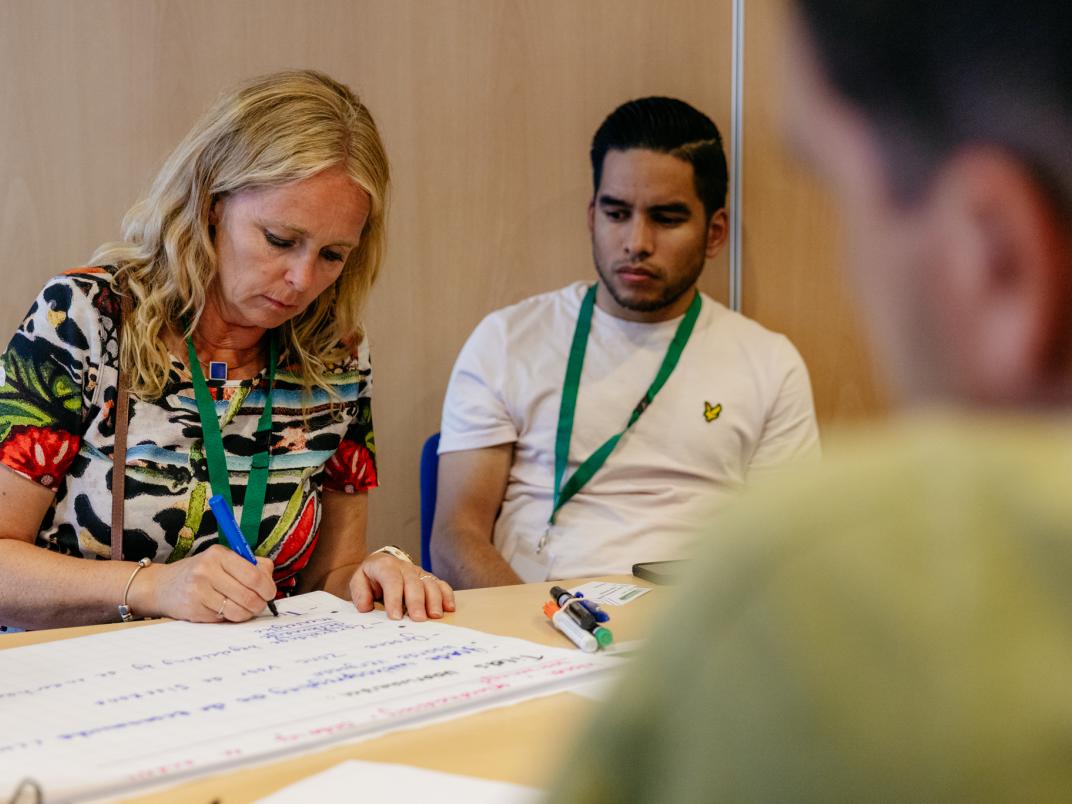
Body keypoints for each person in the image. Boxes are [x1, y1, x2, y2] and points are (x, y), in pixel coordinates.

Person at [549, 2, 1072, 802]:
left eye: (837, 195)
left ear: (996, 256)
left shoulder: (811, 584)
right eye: (617, 213)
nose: (635, 241)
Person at [0, 69, 453, 631]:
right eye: (280, 240)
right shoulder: (87, 317)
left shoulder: (335, 353)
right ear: (211, 201)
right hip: (82, 681)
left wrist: (375, 573)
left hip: (254, 684)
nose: (301, 280)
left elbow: (328, 574)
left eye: (333, 255)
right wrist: (153, 586)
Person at [432, 97, 820, 588]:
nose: (637, 241)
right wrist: (544, 635)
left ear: (714, 233)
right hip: (534, 623)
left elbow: (788, 549)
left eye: (667, 218)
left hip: (696, 632)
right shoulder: (507, 341)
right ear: (592, 216)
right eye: (617, 214)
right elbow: (454, 535)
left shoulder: (769, 363)